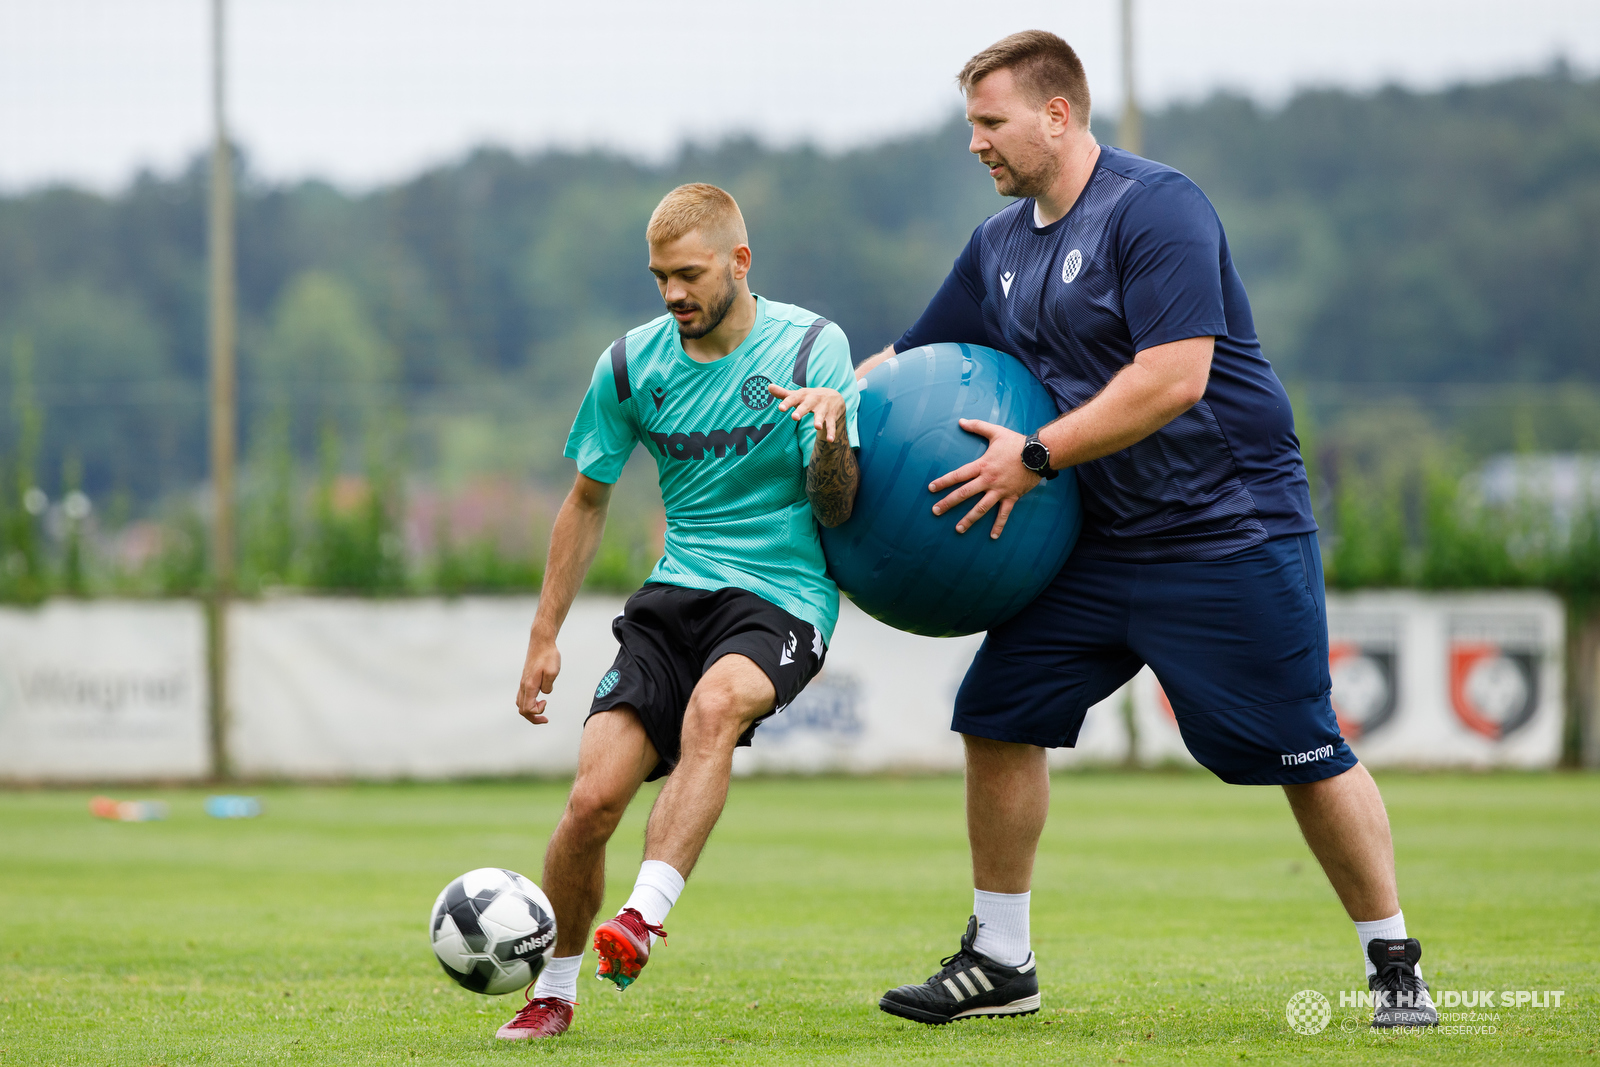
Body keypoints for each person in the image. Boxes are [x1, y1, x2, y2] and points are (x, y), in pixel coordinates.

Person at [858, 31, 1437, 1030]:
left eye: (989, 123)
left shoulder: (1154, 208)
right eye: (969, 126)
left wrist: (1032, 455)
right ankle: (1001, 957)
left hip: (1226, 532)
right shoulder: (996, 247)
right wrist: (834, 402)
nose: (974, 145)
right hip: (1097, 543)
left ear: (1057, 113)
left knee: (1302, 747)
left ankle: (1393, 963)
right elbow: (910, 357)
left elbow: (1175, 378)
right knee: (997, 711)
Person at [495, 183, 861, 1040]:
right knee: (591, 802)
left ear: (738, 261)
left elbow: (837, 508)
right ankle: (553, 989)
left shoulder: (812, 348)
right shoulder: (631, 365)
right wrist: (544, 634)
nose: (672, 294)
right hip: (674, 595)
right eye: (659, 277)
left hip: (782, 596)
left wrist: (834, 431)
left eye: (689, 274)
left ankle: (644, 914)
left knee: (716, 705)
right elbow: (587, 500)